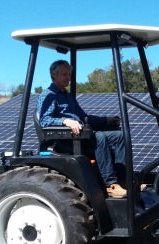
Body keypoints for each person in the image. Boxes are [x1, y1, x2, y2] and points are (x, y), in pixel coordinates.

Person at [36, 60, 127, 198]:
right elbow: (45, 120)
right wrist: (65, 121)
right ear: (54, 75)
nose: (68, 77)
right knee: (100, 137)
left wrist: (106, 120)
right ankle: (110, 184)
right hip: (65, 140)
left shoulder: (68, 96)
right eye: (64, 74)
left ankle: (123, 179)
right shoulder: (48, 95)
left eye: (69, 74)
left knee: (120, 135)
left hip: (81, 135)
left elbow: (84, 118)